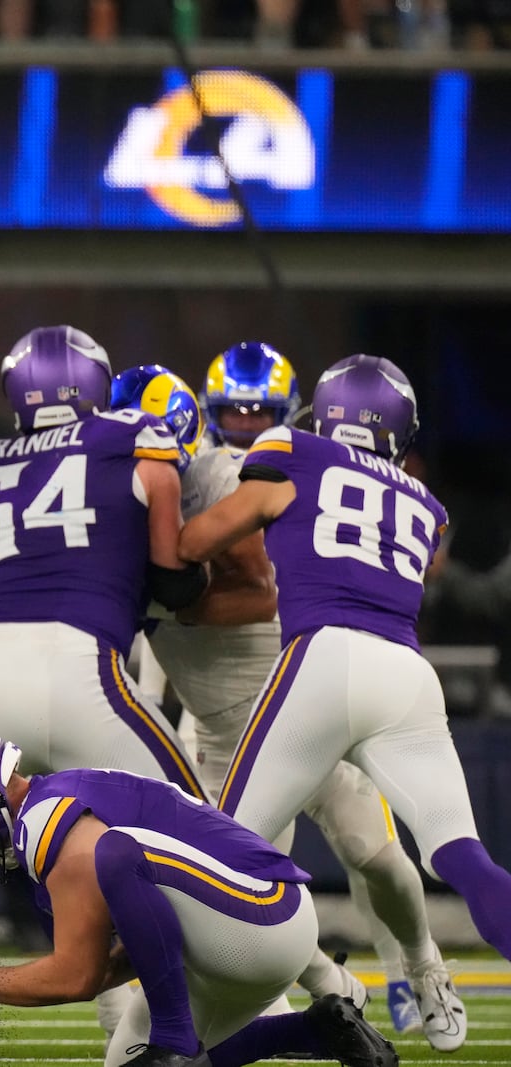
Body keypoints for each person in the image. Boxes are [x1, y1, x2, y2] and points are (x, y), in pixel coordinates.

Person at [0, 326, 206, 1043]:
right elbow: (175, 576)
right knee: (206, 839)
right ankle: (258, 1004)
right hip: (85, 665)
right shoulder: (136, 436)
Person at [179, 353, 511, 1050]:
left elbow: (199, 540)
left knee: (229, 851)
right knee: (460, 853)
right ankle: (408, 977)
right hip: (406, 673)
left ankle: (210, 1025)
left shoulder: (288, 449)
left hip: (319, 661)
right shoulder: (427, 505)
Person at [114, 361, 453, 1043]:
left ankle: (422, 962)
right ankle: (330, 983)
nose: (149, 467)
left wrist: (181, 604)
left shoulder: (217, 478)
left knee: (375, 853)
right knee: (232, 893)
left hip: (297, 699)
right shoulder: (103, 499)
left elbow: (278, 587)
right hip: (217, 731)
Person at [0, 724, 400, 1067]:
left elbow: (75, 976)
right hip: (243, 926)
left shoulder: (45, 820)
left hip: (260, 916)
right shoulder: (59, 801)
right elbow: (121, 956)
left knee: (118, 852)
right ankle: (318, 1030)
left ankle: (173, 1039)